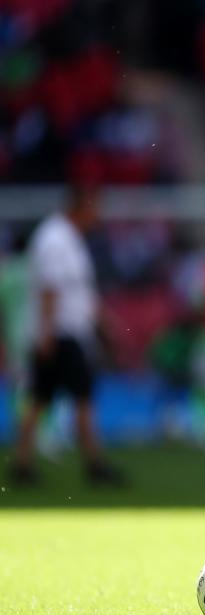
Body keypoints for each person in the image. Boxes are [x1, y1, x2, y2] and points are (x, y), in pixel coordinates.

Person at [7, 185, 125, 486]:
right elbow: (50, 288)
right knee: (78, 396)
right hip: (60, 334)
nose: (97, 216)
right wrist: (46, 334)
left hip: (66, 332)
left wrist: (101, 322)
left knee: (41, 398)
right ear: (80, 207)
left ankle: (22, 463)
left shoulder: (69, 239)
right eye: (94, 209)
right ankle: (94, 464)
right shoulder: (54, 238)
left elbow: (77, 291)